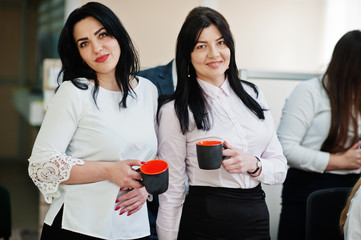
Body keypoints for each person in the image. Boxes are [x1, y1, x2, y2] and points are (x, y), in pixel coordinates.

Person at [28, 2, 158, 239]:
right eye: (84, 43)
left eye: (103, 35)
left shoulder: (149, 91)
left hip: (132, 228)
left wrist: (146, 188)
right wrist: (109, 171)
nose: (97, 48)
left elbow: (153, 157)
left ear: (118, 35)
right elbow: (41, 165)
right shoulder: (73, 92)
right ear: (78, 53)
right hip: (77, 226)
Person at [156, 6, 287, 240]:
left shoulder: (253, 94)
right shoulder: (175, 111)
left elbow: (279, 167)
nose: (214, 54)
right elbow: (172, 190)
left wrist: (254, 164)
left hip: (256, 214)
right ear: (187, 55)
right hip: (205, 219)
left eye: (221, 43)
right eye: (201, 46)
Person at [277, 30, 361, 240]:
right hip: (309, 188)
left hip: (353, 191)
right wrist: (338, 161)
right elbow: (285, 148)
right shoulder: (309, 92)